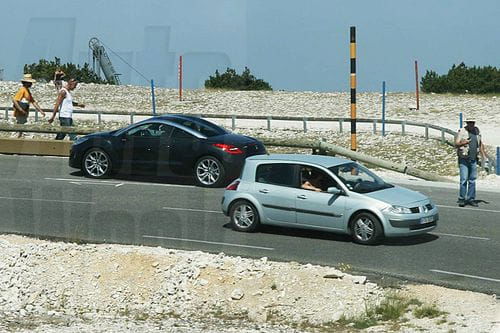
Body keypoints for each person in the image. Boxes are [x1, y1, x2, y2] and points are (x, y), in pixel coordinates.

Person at [455, 116, 486, 207]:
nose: (471, 124)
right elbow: (456, 143)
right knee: (464, 179)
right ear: (467, 123)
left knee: (472, 180)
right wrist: (463, 143)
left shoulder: (477, 131)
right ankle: (462, 198)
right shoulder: (462, 131)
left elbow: (480, 143)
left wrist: (483, 154)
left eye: (472, 122)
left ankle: (471, 198)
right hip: (464, 158)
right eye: (469, 122)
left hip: (473, 159)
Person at [12, 74, 45, 138]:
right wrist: (21, 110)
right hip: (20, 113)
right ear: (26, 83)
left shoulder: (27, 91)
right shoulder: (22, 90)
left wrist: (40, 110)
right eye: (30, 83)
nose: (31, 84)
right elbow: (14, 100)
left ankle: (18, 140)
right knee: (21, 127)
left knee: (20, 128)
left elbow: (33, 101)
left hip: (24, 112)